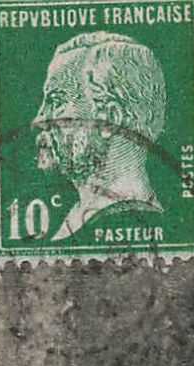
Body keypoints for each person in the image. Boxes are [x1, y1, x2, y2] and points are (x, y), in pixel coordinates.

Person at [33, 32, 167, 242]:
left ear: (109, 120)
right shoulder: (81, 216)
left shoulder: (125, 217)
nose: (39, 120)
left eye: (57, 102)